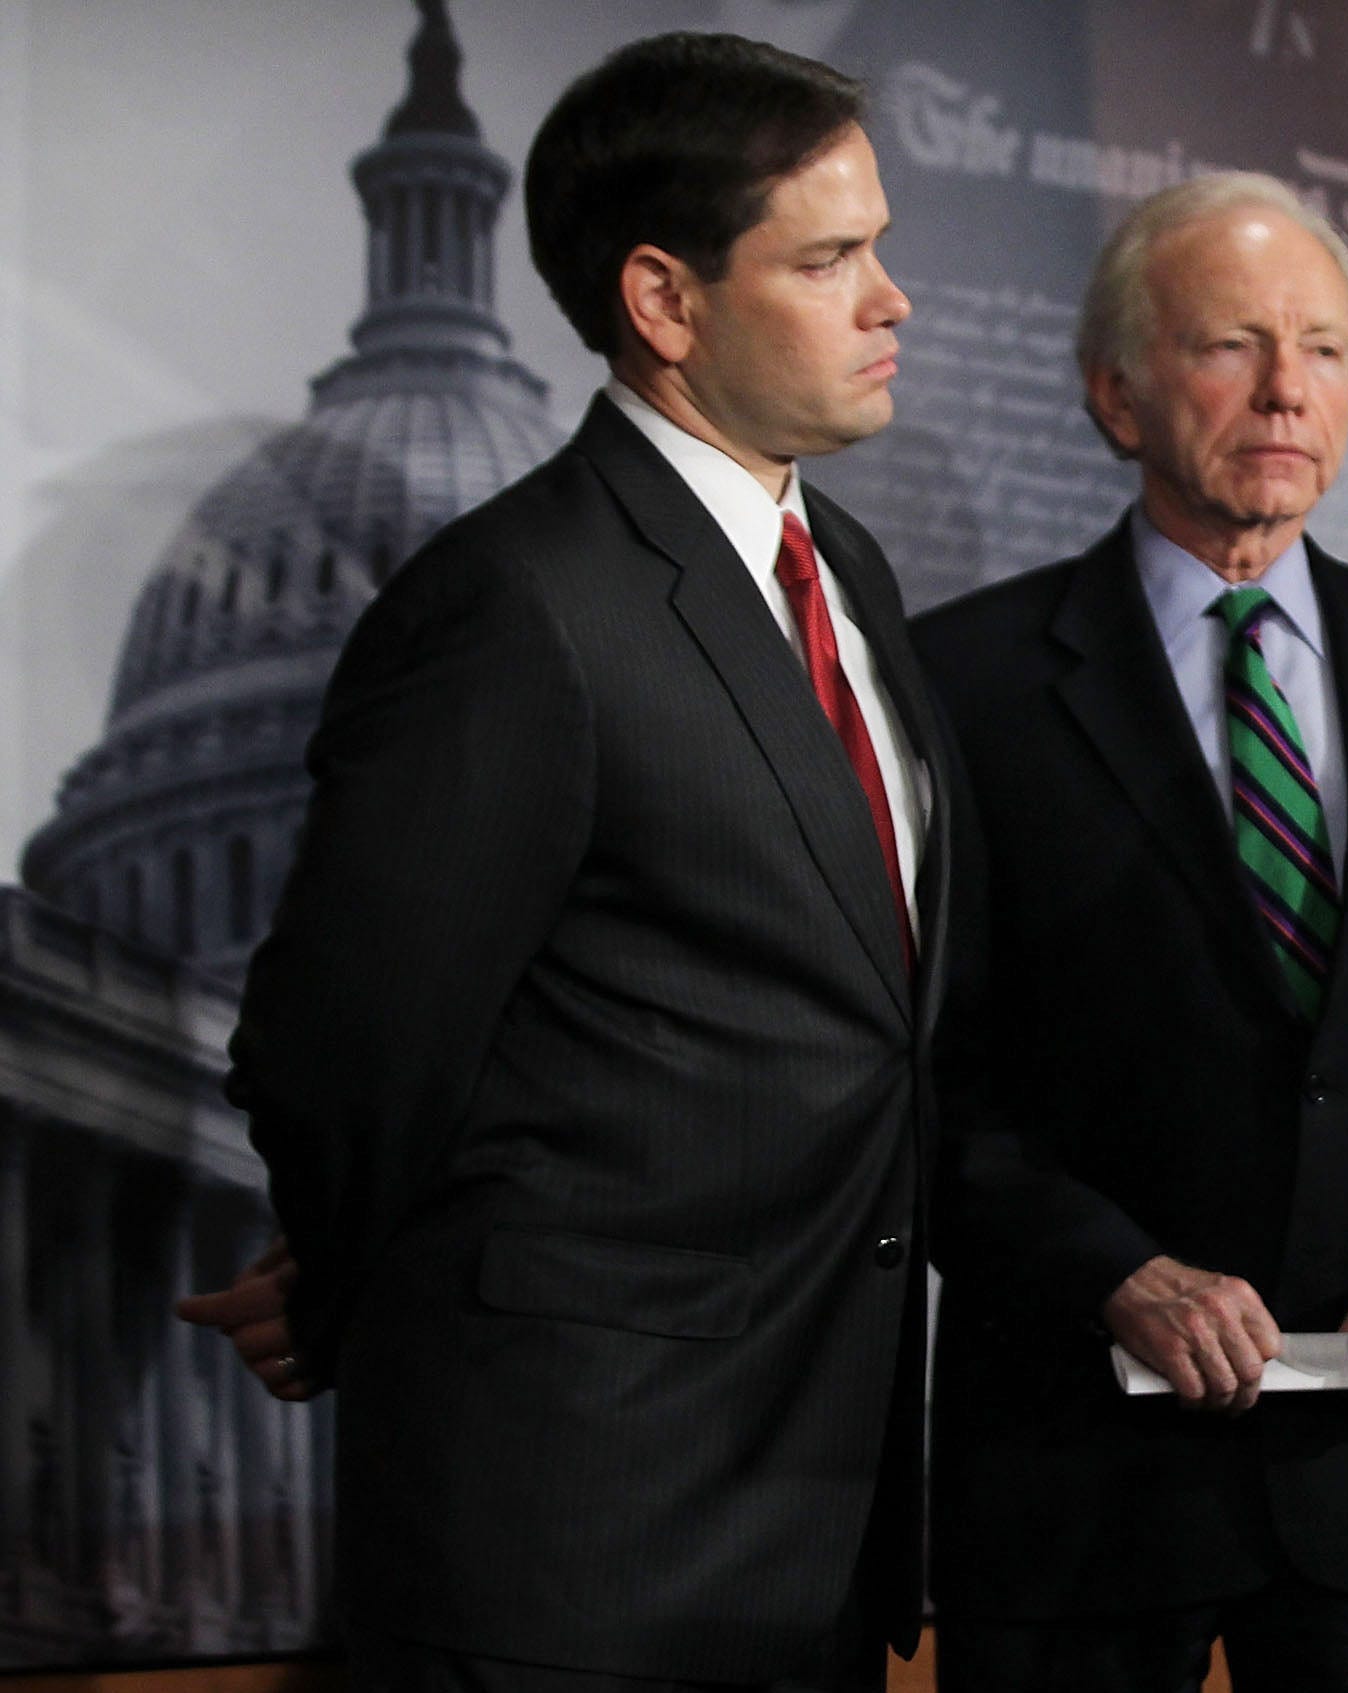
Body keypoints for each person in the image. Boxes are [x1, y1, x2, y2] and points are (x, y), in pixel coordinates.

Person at [204, 33, 942, 1689]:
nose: (891, 299)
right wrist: (361, 1280)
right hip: (577, 1555)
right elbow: (342, 1047)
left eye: (880, 245)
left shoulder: (853, 577)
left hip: (814, 1535)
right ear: (665, 302)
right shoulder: (513, 603)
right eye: (831, 259)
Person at [913, 172, 1348, 1693]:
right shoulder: (962, 684)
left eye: (1326, 348)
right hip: (1076, 1473)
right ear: (1115, 389)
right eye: (1230, 345)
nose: (1288, 390)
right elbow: (917, 1074)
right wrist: (1115, 1270)